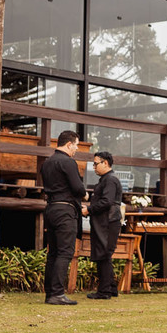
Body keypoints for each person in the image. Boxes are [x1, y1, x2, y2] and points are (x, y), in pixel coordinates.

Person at [43, 130, 86, 306]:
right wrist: (85, 195)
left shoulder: (47, 163)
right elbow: (77, 187)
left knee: (53, 252)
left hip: (50, 208)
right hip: (65, 210)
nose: (76, 148)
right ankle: (57, 293)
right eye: (76, 145)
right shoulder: (68, 162)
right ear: (69, 144)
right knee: (65, 252)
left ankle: (50, 293)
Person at [83, 151, 123, 300]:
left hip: (108, 222)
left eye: (95, 163)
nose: (93, 167)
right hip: (105, 221)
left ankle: (104, 291)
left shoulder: (110, 180)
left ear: (105, 163)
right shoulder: (106, 179)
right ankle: (111, 288)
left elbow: (107, 201)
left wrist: (89, 209)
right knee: (104, 254)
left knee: (104, 255)